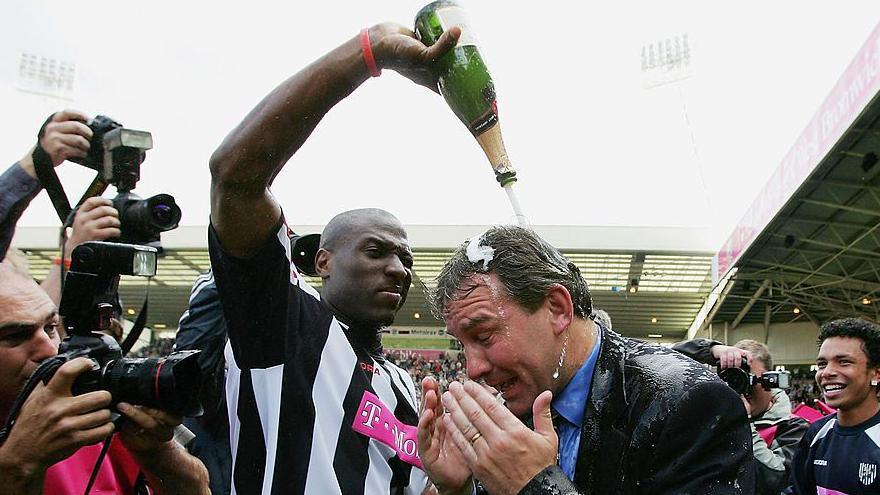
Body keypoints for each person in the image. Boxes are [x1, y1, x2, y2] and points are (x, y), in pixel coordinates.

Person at [208, 23, 460, 494]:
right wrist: (372, 53)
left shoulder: (405, 386)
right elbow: (235, 178)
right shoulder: (284, 325)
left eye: (406, 259)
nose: (398, 269)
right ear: (323, 261)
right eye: (375, 250)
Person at [418, 225, 754, 494]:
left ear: (558, 309)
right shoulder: (506, 418)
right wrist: (459, 489)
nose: (473, 367)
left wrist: (536, 486)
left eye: (484, 336)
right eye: (462, 345)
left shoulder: (690, 403)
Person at [0, 262, 210, 494]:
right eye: (15, 336)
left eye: (51, 327)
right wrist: (18, 463)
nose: (50, 350)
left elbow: (198, 490)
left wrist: (157, 454)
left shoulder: (92, 404)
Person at [674, 338, 809, 495]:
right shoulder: (711, 420)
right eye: (733, 377)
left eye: (750, 379)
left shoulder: (794, 427)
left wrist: (743, 422)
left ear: (770, 381)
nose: (742, 387)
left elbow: (776, 482)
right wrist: (711, 350)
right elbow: (664, 358)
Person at [784, 317, 880, 494]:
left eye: (844, 362)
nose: (826, 372)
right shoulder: (816, 433)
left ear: (876, 374)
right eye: (822, 364)